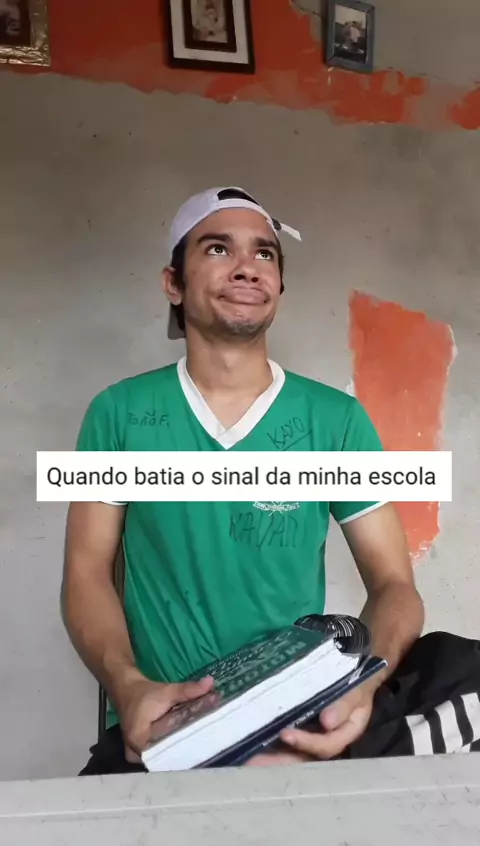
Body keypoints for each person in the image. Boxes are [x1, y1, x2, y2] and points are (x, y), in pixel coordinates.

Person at [61, 186, 425, 774]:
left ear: (279, 283)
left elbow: (394, 586)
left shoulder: (336, 421)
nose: (247, 268)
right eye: (217, 249)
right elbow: (85, 574)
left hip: (294, 726)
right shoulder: (119, 414)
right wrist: (129, 686)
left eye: (264, 254)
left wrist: (361, 685)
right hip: (164, 726)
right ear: (173, 283)